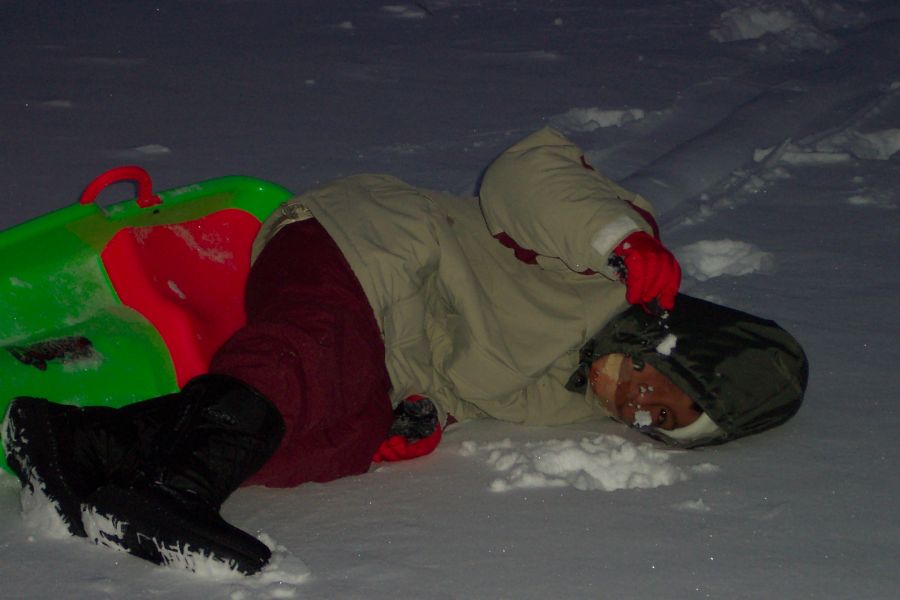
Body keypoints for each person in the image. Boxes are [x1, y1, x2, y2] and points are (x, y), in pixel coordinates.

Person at [1, 128, 808, 575]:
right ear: (672, 344)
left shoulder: (568, 401)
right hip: (362, 243)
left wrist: (416, 415)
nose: (639, 410)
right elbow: (528, 173)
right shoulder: (612, 271)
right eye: (664, 392)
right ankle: (172, 490)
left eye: (660, 424)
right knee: (311, 351)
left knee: (335, 439)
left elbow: (458, 379)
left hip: (379, 336)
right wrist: (621, 237)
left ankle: (81, 442)